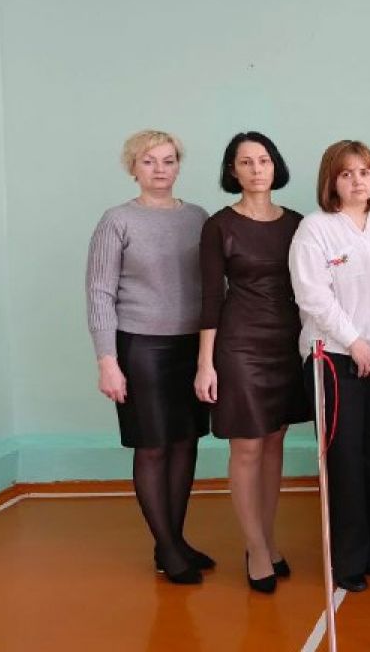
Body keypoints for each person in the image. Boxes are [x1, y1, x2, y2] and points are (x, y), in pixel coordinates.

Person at [85, 130, 213, 585]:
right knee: (154, 445)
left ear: (179, 165)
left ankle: (173, 541)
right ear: (133, 167)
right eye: (149, 161)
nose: (160, 169)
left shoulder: (198, 218)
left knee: (185, 442)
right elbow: (99, 293)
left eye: (169, 160)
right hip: (140, 347)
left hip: (190, 346)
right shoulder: (117, 221)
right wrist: (107, 360)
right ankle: (168, 547)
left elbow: (213, 285)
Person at [289, 140, 370, 593]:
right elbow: (313, 297)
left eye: (364, 172)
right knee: (344, 458)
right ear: (331, 180)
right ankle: (349, 560)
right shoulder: (315, 230)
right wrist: (355, 342)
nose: (358, 181)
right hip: (336, 359)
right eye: (347, 173)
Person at [195, 131, 309, 594]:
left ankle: (267, 538)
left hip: (287, 342)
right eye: (246, 162)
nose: (256, 169)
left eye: (263, 160)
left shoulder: (298, 223)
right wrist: (205, 364)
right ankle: (256, 549)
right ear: (232, 171)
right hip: (239, 344)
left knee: (275, 441)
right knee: (246, 446)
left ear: (274, 166)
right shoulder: (218, 226)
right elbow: (210, 298)